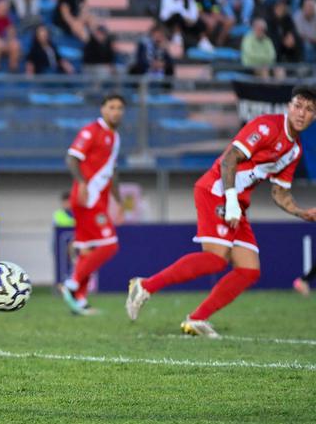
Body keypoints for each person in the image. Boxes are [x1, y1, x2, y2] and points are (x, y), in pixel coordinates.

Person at [127, 86, 316, 338]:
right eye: (298, 105)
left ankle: (196, 319)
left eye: (310, 109)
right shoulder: (266, 126)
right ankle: (144, 286)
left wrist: (303, 213)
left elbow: (279, 193)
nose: (302, 113)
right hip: (216, 190)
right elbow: (229, 160)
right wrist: (231, 201)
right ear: (288, 106)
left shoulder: (295, 150)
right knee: (216, 258)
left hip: (237, 200)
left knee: (249, 270)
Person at [60, 94, 125, 316]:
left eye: (119, 108)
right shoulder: (91, 131)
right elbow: (71, 158)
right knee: (110, 245)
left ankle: (80, 300)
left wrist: (117, 197)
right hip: (87, 198)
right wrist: (82, 183)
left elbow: (112, 170)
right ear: (102, 109)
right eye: (111, 107)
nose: (116, 112)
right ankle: (72, 283)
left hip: (100, 199)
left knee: (87, 249)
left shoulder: (114, 137)